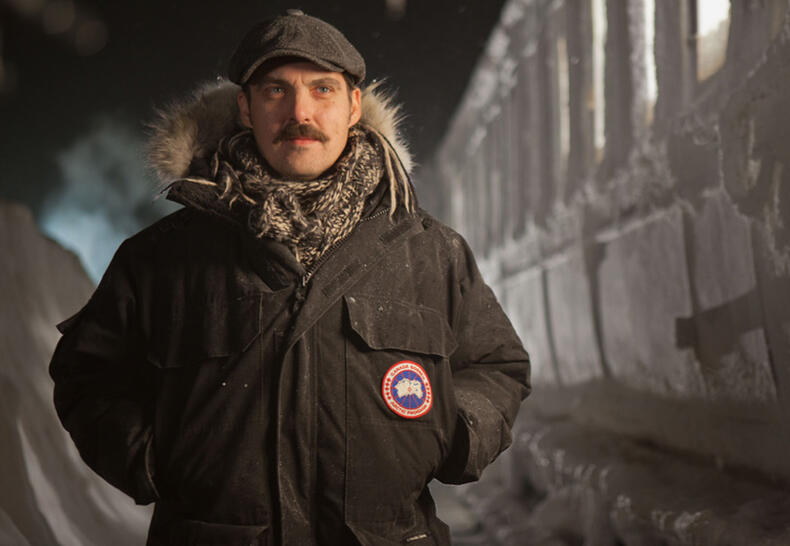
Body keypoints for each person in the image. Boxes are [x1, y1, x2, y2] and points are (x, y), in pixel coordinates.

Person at [49, 9, 530, 546]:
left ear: (352, 107)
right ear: (245, 108)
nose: (299, 112)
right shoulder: (164, 258)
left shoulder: (430, 253)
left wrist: (452, 436)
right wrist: (153, 462)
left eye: (322, 89)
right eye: (276, 91)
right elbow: (88, 375)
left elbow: (496, 366)